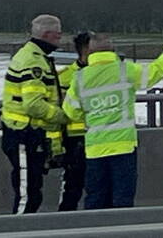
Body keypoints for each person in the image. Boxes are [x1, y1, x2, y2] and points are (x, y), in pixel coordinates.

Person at [61, 34, 163, 209]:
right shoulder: (126, 70)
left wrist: (92, 116)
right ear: (113, 51)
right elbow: (155, 71)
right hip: (123, 147)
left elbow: (70, 111)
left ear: (90, 53)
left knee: (95, 197)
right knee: (122, 198)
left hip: (95, 148)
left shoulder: (80, 78)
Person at [0, 14, 69, 214]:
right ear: (47, 35)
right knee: (28, 195)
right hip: (24, 135)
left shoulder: (34, 55)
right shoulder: (34, 62)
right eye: (58, 34)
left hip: (24, 134)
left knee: (32, 192)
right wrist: (64, 116)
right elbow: (34, 105)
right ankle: (18, 233)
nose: (61, 38)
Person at [56, 31, 92, 211]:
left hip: (99, 139)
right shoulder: (65, 76)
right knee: (72, 187)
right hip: (74, 140)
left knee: (97, 189)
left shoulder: (106, 74)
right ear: (83, 50)